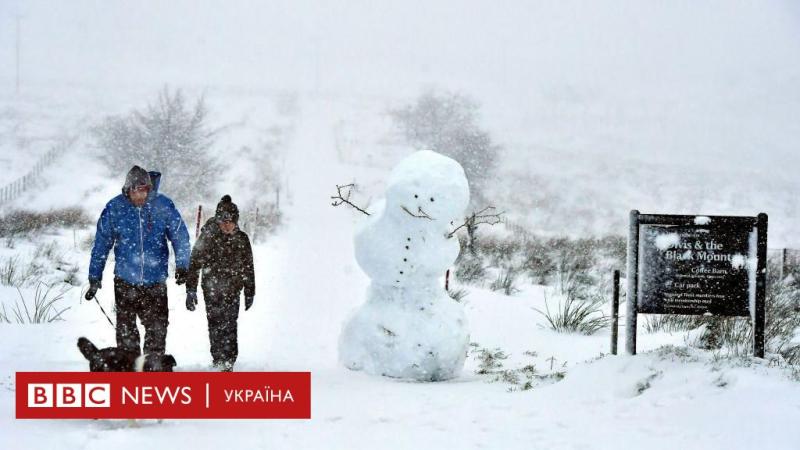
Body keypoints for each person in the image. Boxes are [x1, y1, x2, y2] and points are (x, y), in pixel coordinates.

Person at [85, 165, 191, 355]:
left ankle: (152, 371)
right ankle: (130, 371)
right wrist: (95, 276)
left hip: (155, 281)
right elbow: (101, 243)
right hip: (125, 281)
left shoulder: (163, 205)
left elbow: (179, 236)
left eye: (143, 190)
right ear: (128, 190)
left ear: (148, 189)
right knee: (126, 332)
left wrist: (183, 265)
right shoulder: (115, 208)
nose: (139, 195)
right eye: (135, 190)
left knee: (157, 329)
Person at [186, 195, 255, 372]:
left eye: (230, 222)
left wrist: (249, 291)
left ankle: (229, 361)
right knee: (215, 324)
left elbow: (248, 266)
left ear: (236, 222)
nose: (226, 225)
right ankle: (218, 359)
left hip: (233, 289)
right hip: (211, 289)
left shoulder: (241, 239)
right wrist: (191, 289)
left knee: (230, 324)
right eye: (223, 221)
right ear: (217, 220)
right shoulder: (208, 237)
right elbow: (194, 263)